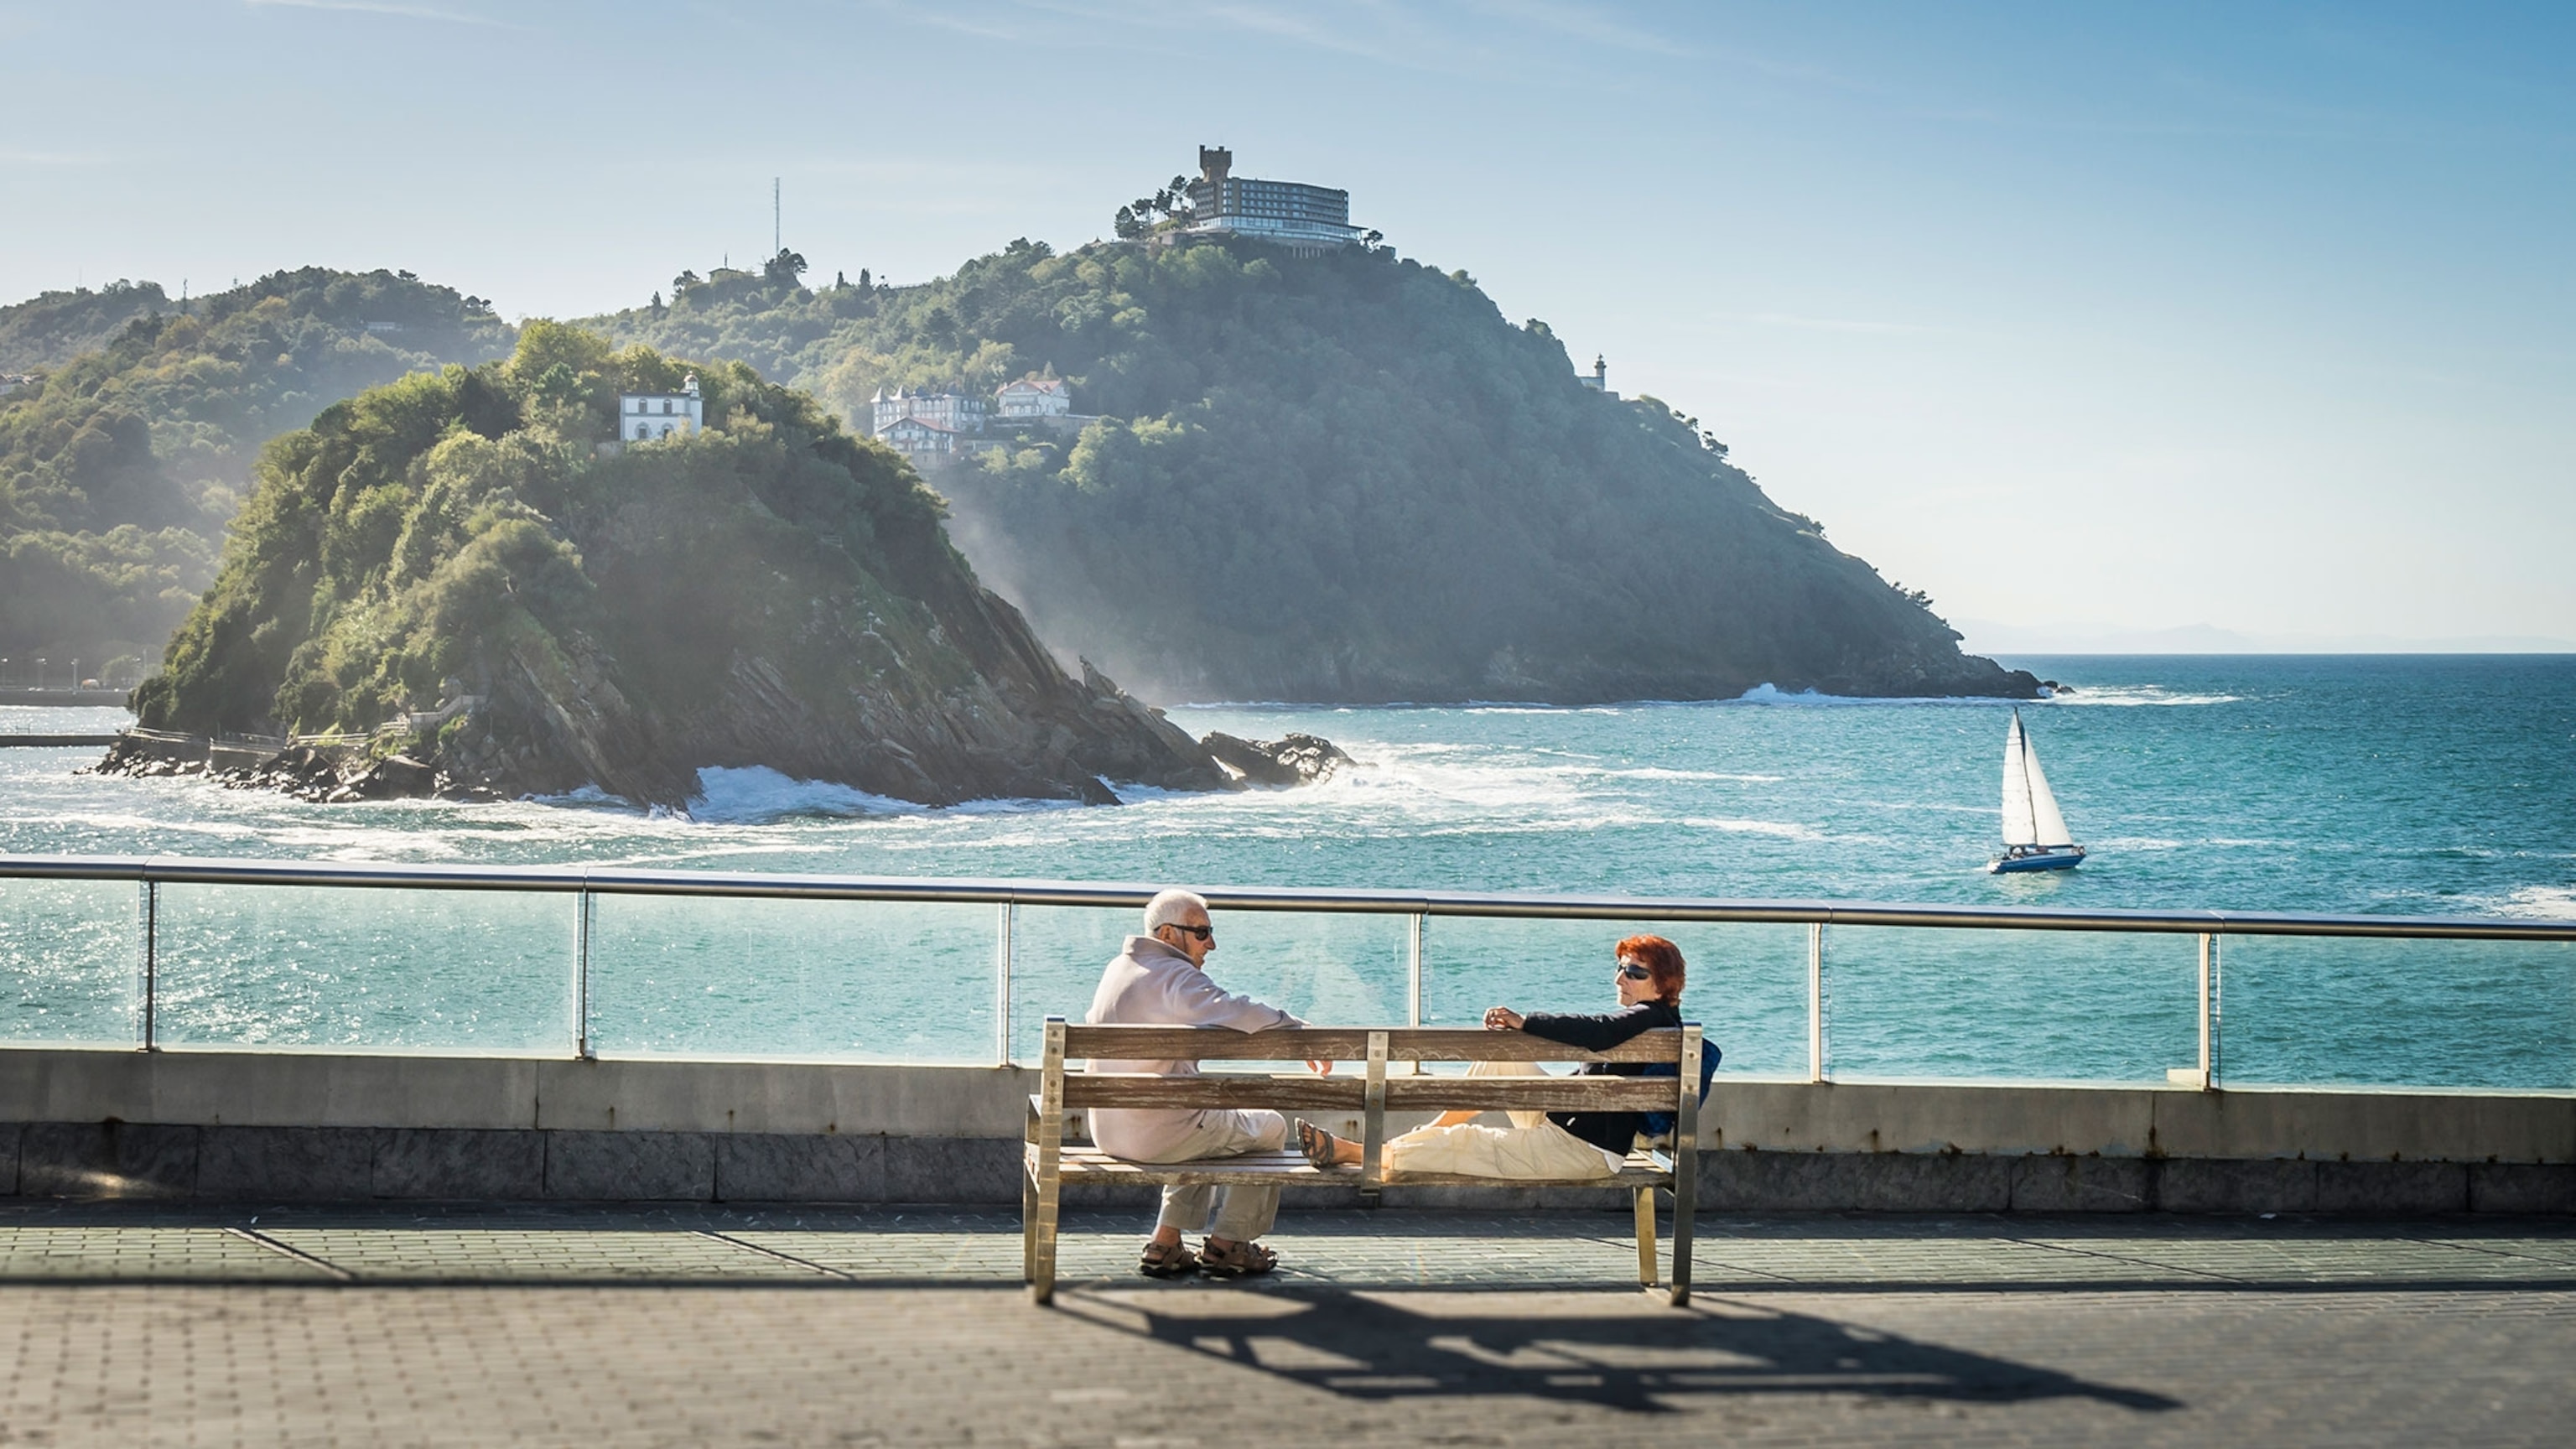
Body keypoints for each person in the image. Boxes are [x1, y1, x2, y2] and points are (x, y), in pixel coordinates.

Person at [1295, 934, 1715, 1179]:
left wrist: (1524, 1020)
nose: (1621, 977)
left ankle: (1354, 1153)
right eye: (1622, 967)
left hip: (1584, 1150)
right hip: (1565, 1122)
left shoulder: (1644, 1018)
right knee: (1501, 1060)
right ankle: (1423, 1133)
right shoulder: (1652, 1019)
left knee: (1464, 1144)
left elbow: (1598, 1033)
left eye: (1636, 972)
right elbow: (1599, 1041)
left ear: (1663, 985)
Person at [1085, 888, 1303, 1280]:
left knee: (1203, 1122)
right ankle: (1229, 1245)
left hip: (1108, 1131)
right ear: (1168, 934)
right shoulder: (1173, 976)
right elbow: (1234, 1009)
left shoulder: (1116, 969)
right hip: (1158, 1137)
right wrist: (1295, 1026)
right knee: (1270, 1127)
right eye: (1202, 932)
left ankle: (1166, 1241)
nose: (1212, 944)